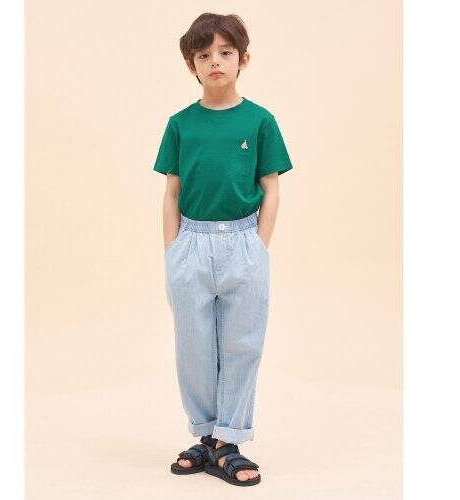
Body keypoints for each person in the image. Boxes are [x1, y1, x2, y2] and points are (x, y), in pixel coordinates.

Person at [152, 12, 294, 487]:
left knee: (242, 344)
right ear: (191, 65)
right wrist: (173, 252)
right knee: (192, 345)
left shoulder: (260, 121)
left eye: (225, 52)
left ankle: (229, 441)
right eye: (203, 55)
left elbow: (270, 187)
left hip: (242, 242)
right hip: (190, 243)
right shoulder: (180, 124)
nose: (215, 61)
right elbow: (171, 192)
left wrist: (258, 246)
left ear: (243, 60)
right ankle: (206, 434)